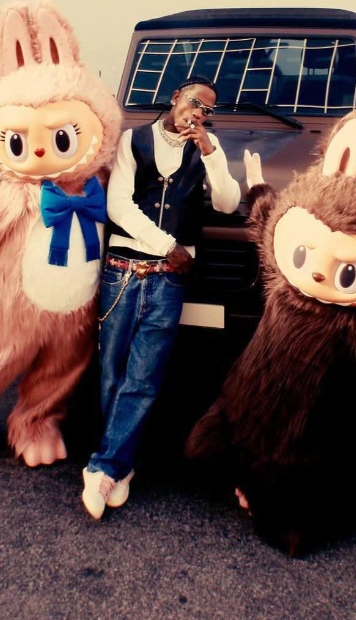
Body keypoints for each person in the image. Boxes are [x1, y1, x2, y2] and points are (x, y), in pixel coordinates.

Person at [81, 75, 241, 519]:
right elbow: (118, 205)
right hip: (123, 270)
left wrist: (209, 151)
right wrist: (167, 246)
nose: (199, 113)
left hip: (168, 282)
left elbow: (228, 203)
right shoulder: (133, 140)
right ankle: (121, 464)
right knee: (111, 372)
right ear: (175, 98)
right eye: (194, 102)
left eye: (208, 110)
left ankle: (104, 468)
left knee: (144, 377)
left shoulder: (208, 147)